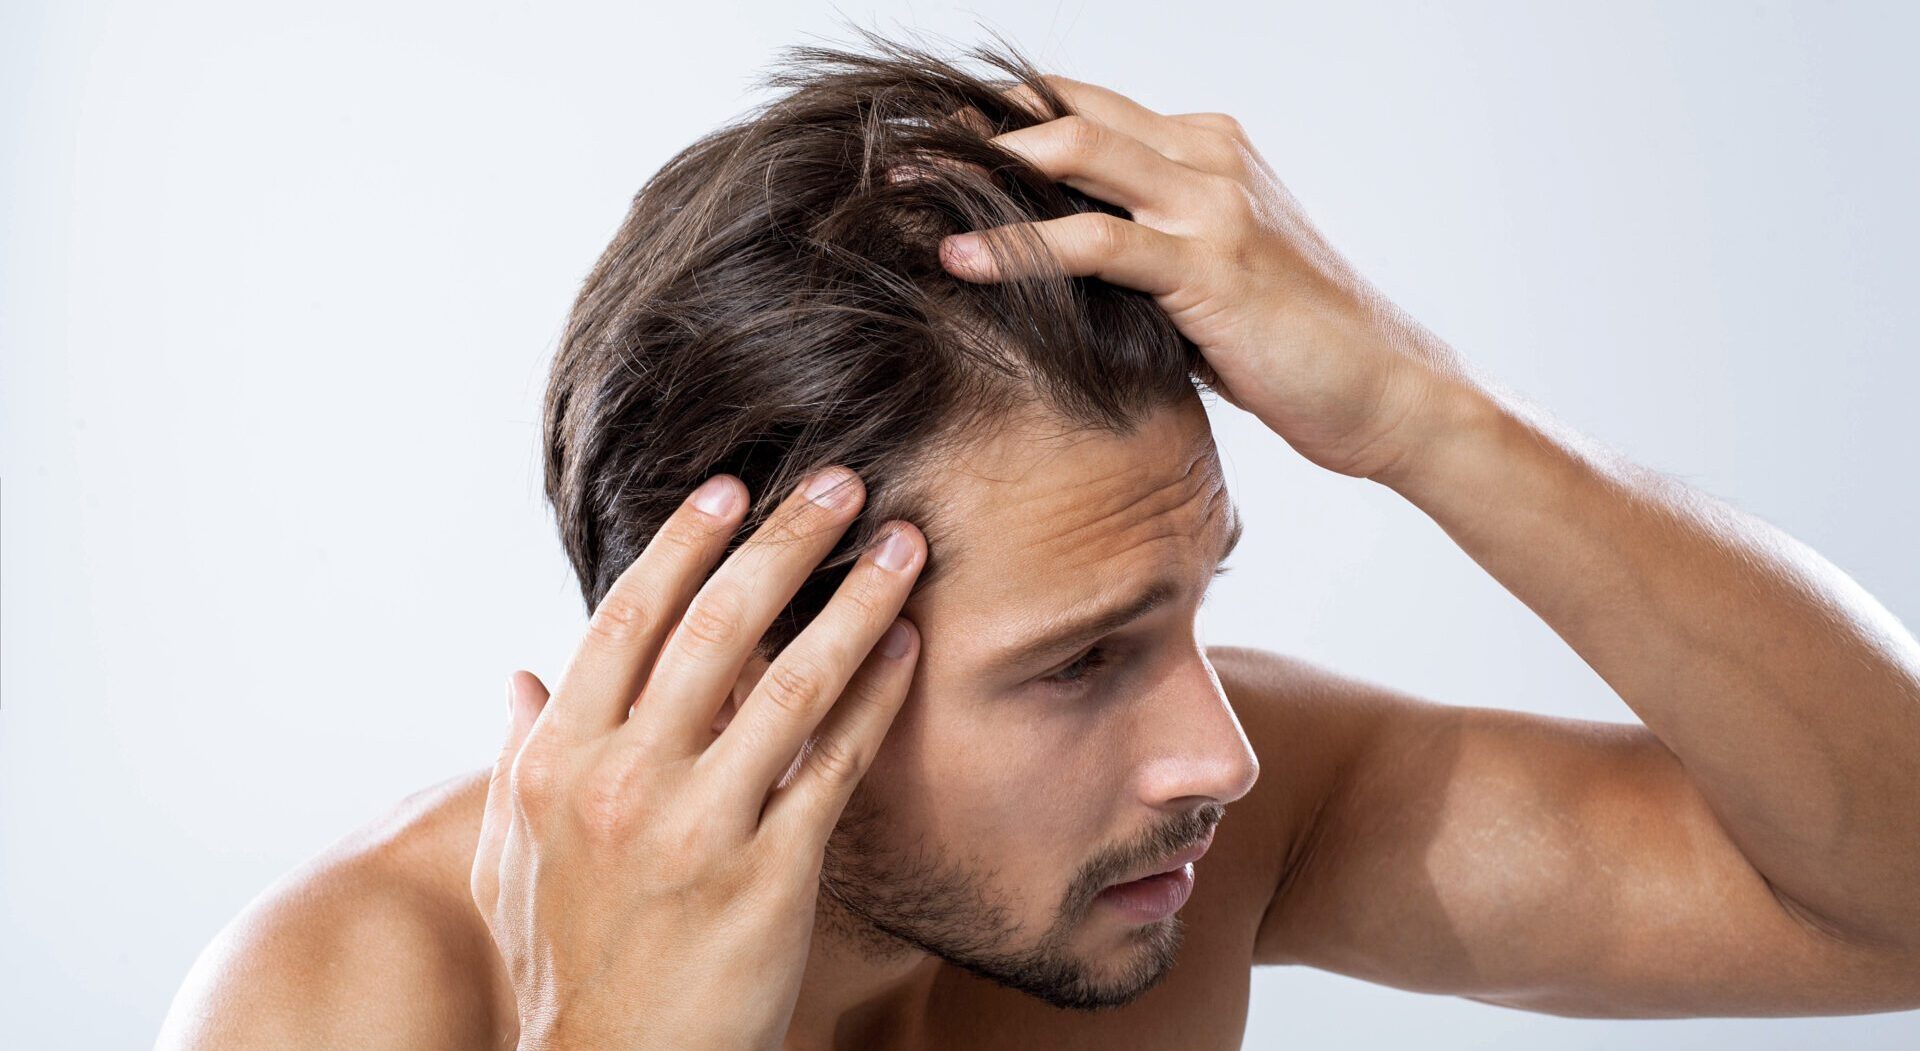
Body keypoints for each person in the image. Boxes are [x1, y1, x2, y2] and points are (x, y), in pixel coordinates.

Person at [156, 28, 1920, 1051]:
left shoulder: (1225, 817)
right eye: (1083, 660)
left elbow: (1895, 904)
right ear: (768, 669)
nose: (1214, 749)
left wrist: (1425, 411)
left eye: (1190, 613)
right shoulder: (356, 998)